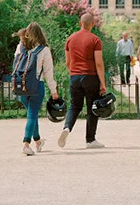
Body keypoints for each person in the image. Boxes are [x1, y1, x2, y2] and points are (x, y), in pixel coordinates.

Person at [59, 13, 107, 150]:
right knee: (92, 108)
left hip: (74, 76)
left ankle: (67, 128)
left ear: (80, 23)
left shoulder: (70, 39)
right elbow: (99, 63)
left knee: (74, 106)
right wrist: (102, 83)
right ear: (93, 24)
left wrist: (74, 73)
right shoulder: (95, 40)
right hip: (90, 77)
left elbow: (68, 62)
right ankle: (90, 140)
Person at [14, 23, 59, 156]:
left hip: (21, 86)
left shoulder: (20, 47)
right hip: (36, 86)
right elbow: (48, 73)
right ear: (40, 34)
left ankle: (38, 141)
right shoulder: (44, 50)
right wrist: (53, 91)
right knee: (32, 115)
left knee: (31, 115)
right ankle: (26, 144)